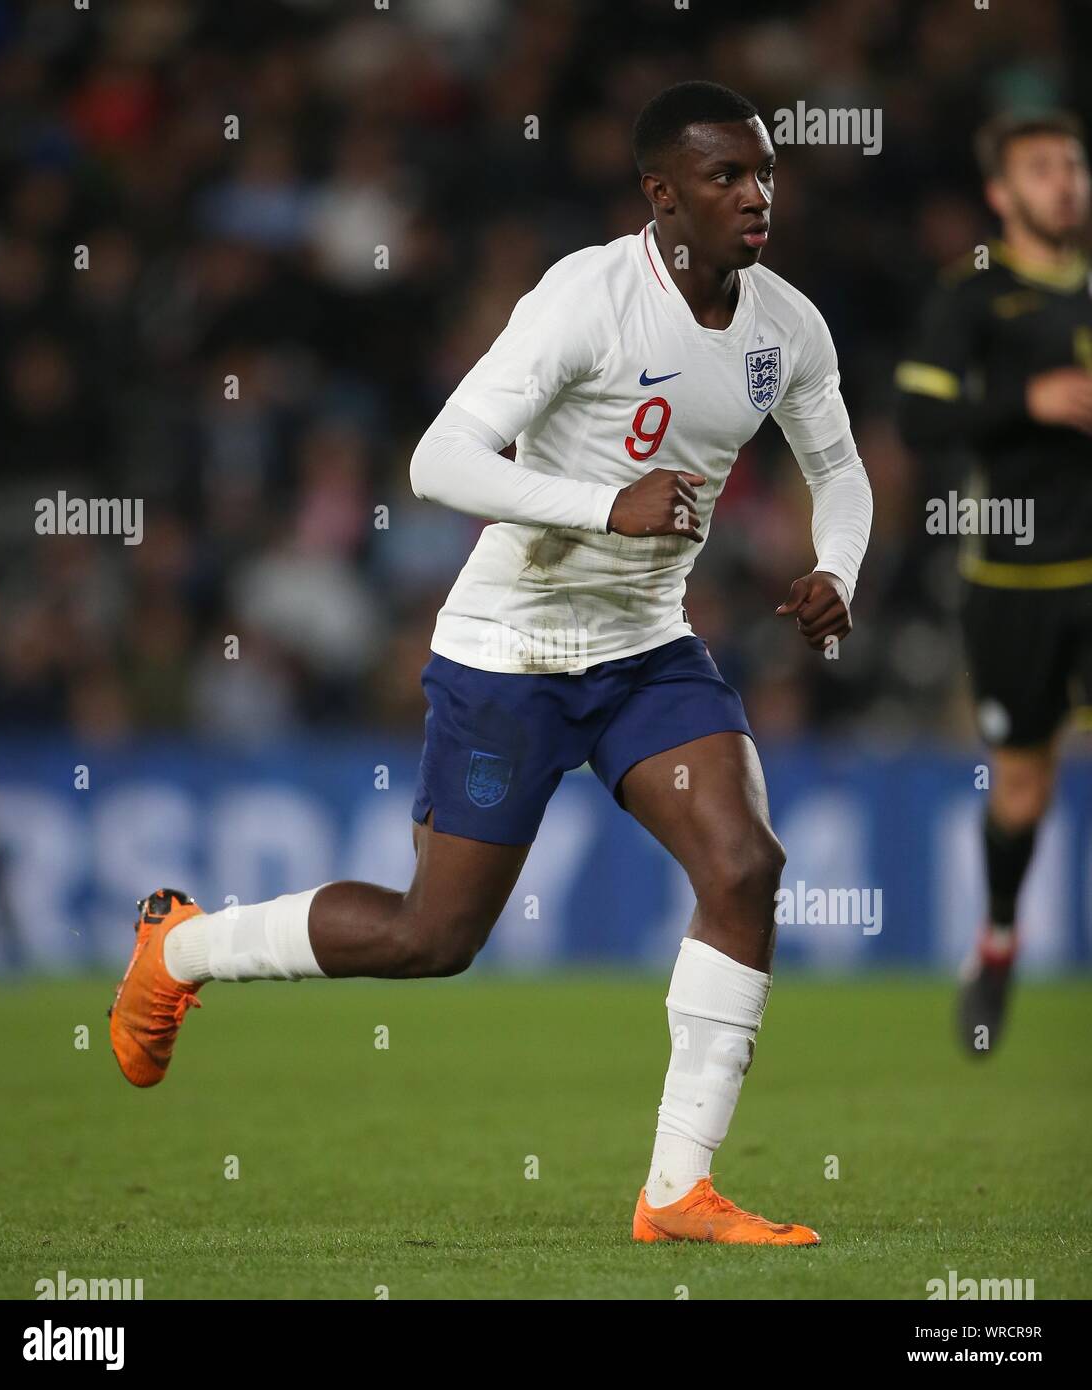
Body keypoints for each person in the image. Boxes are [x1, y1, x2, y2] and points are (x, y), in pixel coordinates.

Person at [110, 81, 872, 1245]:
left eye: (765, 172)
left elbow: (843, 469)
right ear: (661, 195)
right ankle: (182, 945)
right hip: (509, 646)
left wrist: (840, 571)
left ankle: (675, 1191)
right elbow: (438, 460)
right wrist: (604, 507)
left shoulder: (788, 326)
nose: (757, 196)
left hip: (645, 648)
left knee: (745, 867)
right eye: (726, 177)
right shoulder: (586, 299)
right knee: (434, 938)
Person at [897, 110, 1092, 1057]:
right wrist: (1026, 402)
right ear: (1000, 195)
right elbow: (917, 419)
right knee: (1022, 786)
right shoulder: (973, 294)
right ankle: (1000, 943)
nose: (1064, 183)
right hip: (1012, 578)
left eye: (1072, 165)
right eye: (1041, 169)